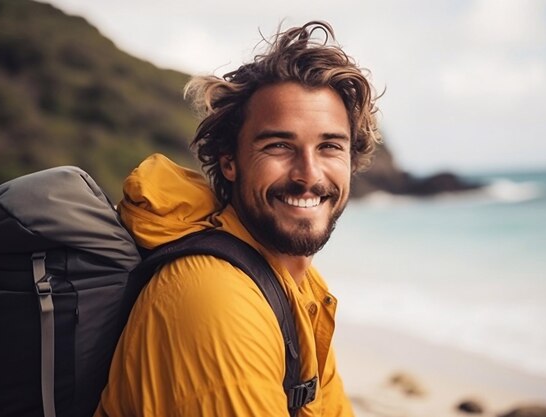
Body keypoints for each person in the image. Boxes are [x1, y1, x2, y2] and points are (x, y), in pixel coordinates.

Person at [94, 21, 380, 417]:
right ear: (230, 162)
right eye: (279, 145)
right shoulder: (214, 298)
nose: (308, 175)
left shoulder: (299, 285)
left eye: (330, 146)